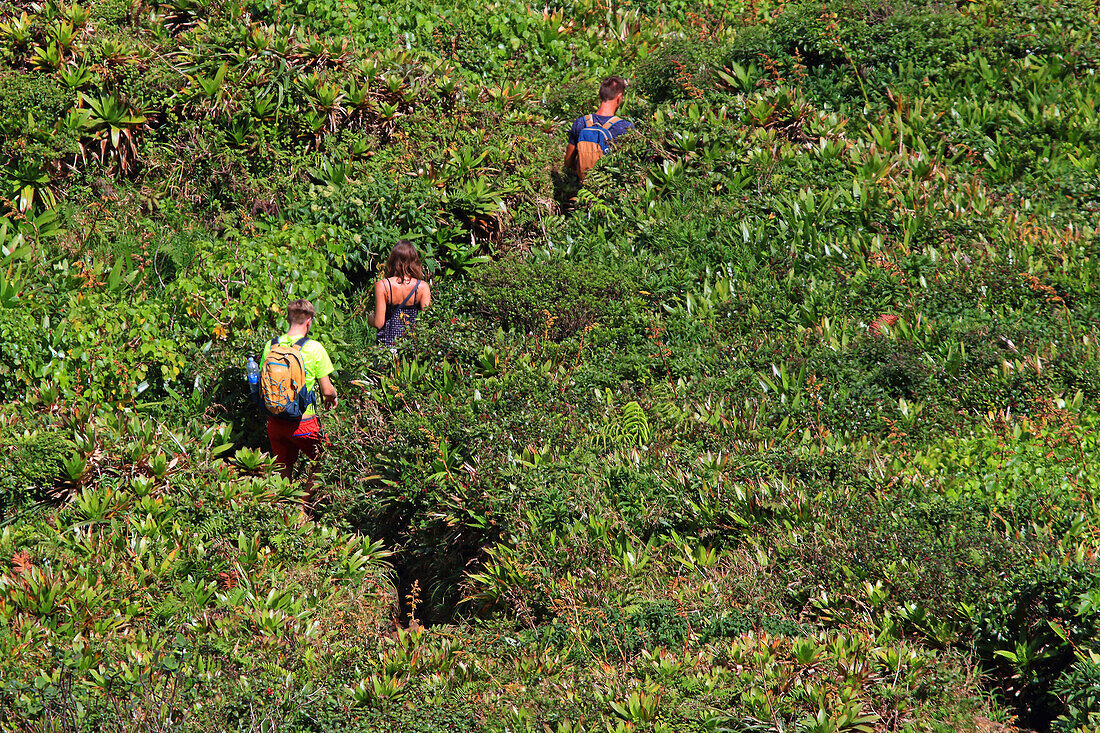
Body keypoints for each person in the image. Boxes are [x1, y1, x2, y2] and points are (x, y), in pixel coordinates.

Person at [261, 298, 337, 509]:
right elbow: (327, 390)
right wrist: (333, 397)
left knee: (283, 468)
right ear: (309, 321)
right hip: (304, 424)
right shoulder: (314, 348)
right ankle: (302, 506)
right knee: (326, 459)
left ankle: (283, 510)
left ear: (287, 318)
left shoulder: (271, 345)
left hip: (275, 423)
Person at [564, 75, 634, 179]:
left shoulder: (580, 123)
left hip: (584, 188)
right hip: (612, 191)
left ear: (600, 95)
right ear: (619, 97)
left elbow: (568, 162)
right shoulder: (625, 127)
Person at [373, 240, 431, 347]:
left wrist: (370, 318)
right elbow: (426, 322)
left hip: (387, 346)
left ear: (392, 260)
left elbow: (378, 323)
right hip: (411, 346)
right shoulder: (422, 287)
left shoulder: (382, 286)